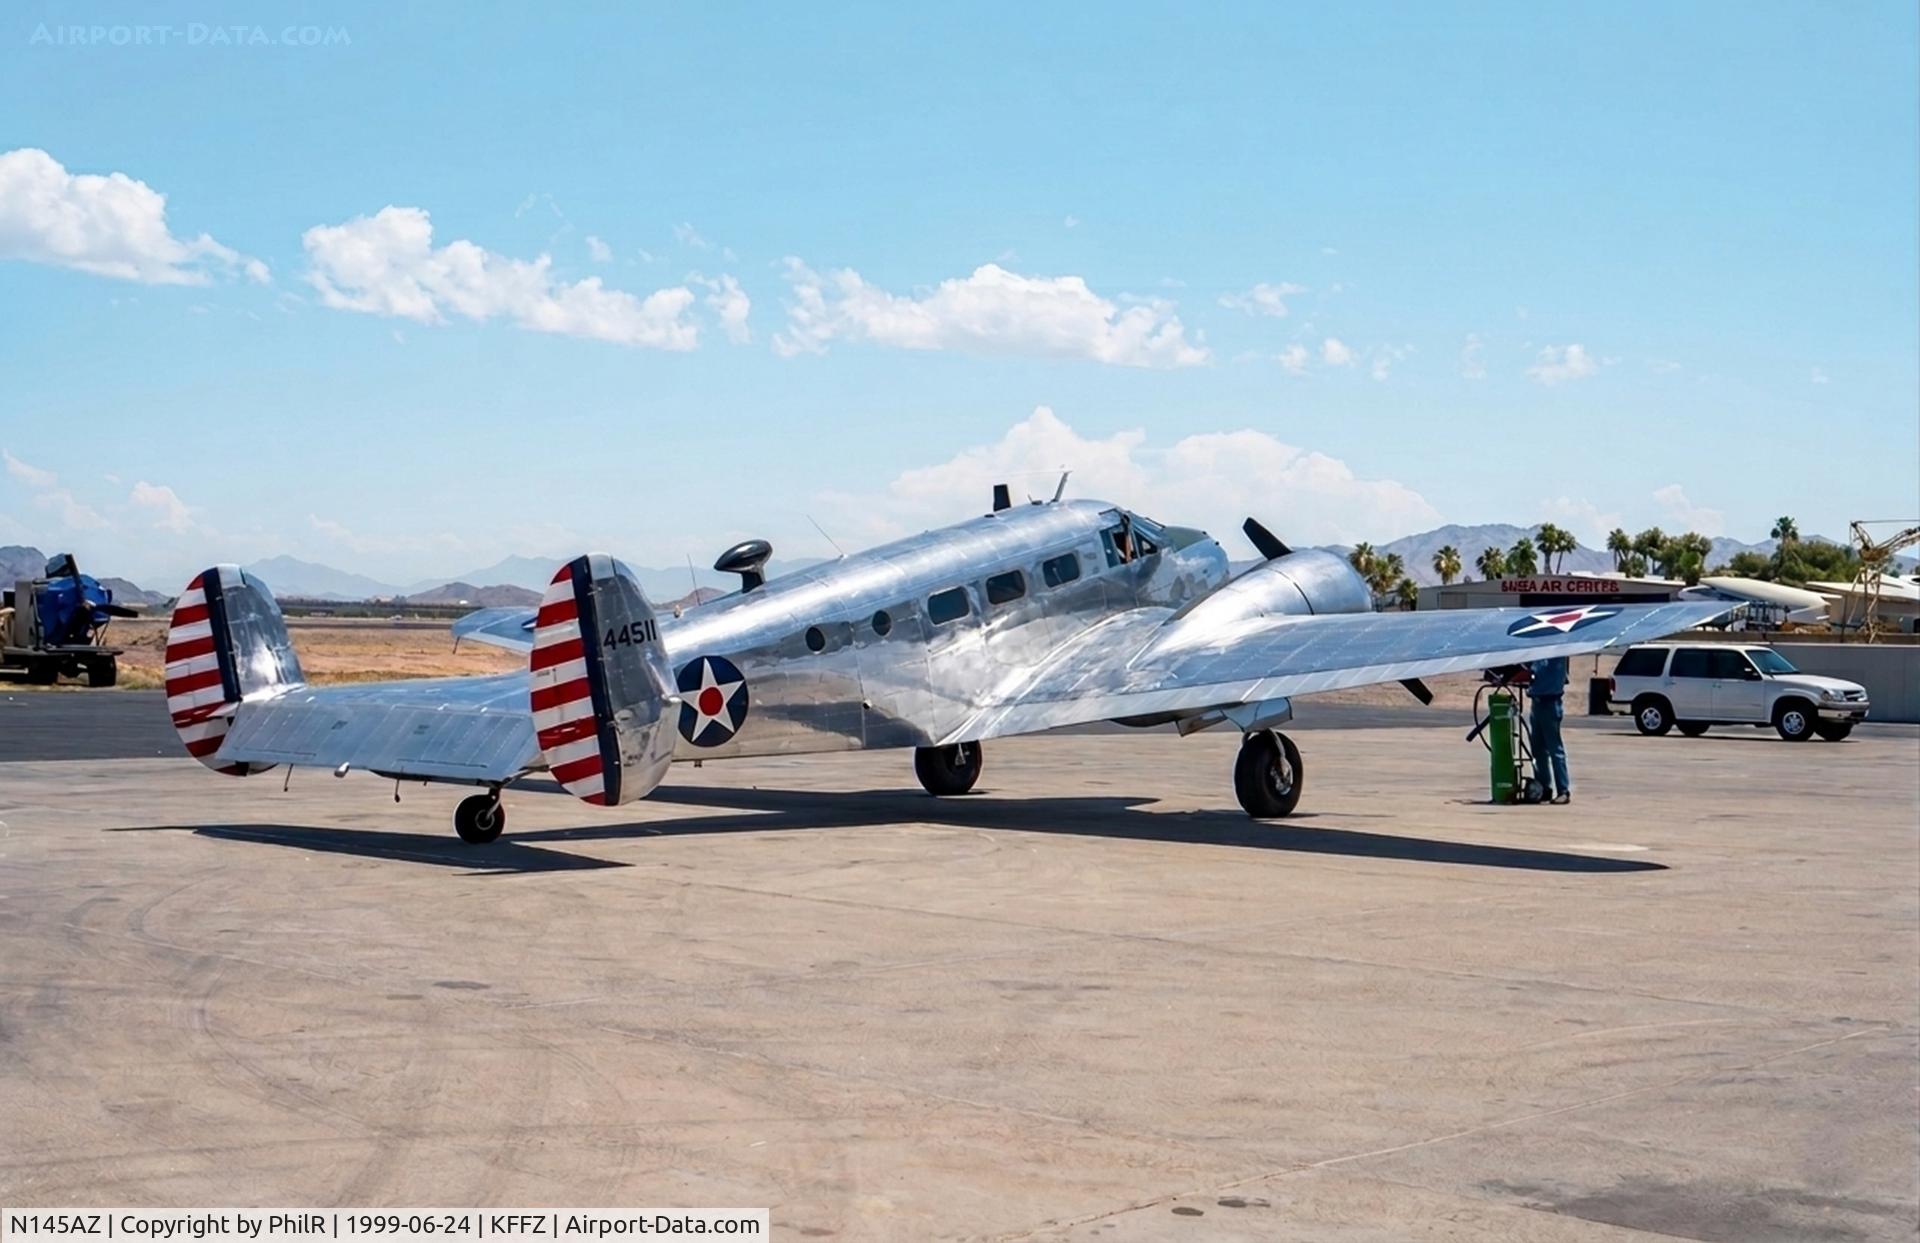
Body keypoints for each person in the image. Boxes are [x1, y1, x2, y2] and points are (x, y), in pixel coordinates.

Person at [1527, 655, 1572, 804]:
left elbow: (1540, 670)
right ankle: (1544, 787)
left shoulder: (1556, 653)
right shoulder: (1539, 652)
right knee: (1538, 749)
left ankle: (1563, 790)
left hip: (1550, 702)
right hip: (1537, 701)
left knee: (1554, 748)